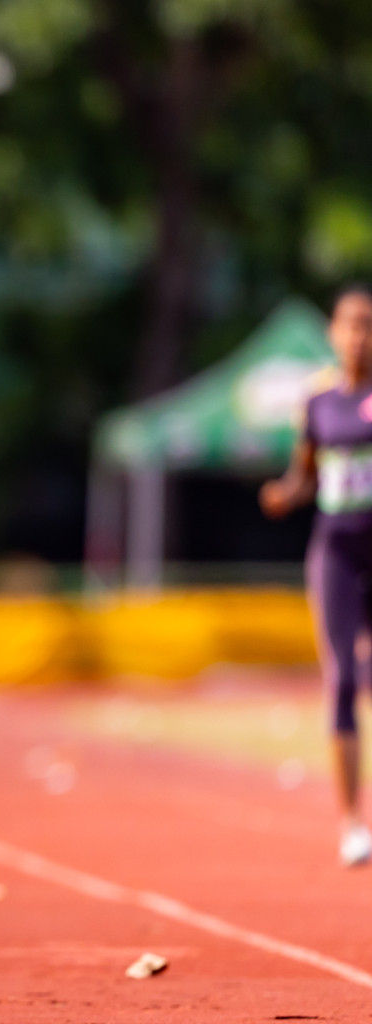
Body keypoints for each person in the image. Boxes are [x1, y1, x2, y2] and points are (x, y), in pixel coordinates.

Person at [261, 283, 372, 867]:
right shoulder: (319, 401)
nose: (358, 337)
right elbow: (305, 470)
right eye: (350, 325)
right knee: (342, 682)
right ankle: (352, 821)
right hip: (335, 548)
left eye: (368, 325)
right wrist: (286, 493)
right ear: (333, 333)